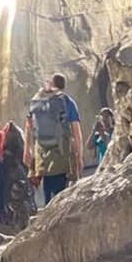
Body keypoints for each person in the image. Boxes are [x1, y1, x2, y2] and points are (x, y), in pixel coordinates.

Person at [26, 73, 84, 204]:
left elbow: (29, 126)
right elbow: (76, 131)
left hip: (43, 155)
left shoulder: (40, 102)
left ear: (52, 85)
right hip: (61, 155)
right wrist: (79, 156)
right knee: (61, 194)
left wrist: (27, 149)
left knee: (48, 191)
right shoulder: (67, 102)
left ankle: (48, 212)